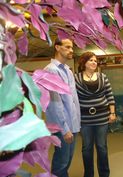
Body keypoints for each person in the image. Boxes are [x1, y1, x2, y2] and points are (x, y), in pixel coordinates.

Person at [75, 51, 116, 177]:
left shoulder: (103, 77)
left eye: (95, 60)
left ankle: (104, 174)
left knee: (102, 147)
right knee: (87, 148)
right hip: (85, 119)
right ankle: (88, 174)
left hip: (102, 118)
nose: (94, 62)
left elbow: (109, 95)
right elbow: (73, 98)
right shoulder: (75, 78)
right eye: (91, 60)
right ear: (84, 62)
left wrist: (112, 113)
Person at [44, 38, 81, 177]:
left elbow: (72, 99)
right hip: (62, 127)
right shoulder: (51, 71)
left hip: (72, 124)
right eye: (67, 47)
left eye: (72, 47)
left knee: (66, 161)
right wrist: (65, 129)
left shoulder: (68, 70)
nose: (71, 50)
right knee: (61, 164)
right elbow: (54, 104)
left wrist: (76, 124)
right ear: (57, 48)